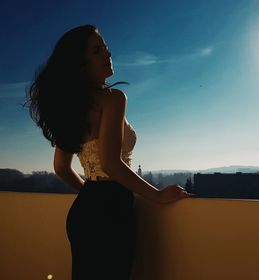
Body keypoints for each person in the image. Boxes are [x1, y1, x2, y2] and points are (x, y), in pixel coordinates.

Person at [24, 24, 194, 280]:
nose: (107, 54)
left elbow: (61, 167)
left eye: (105, 48)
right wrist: (158, 196)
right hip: (112, 211)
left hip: (84, 211)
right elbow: (111, 163)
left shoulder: (72, 107)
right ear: (81, 64)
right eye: (96, 51)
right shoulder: (114, 98)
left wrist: (91, 194)